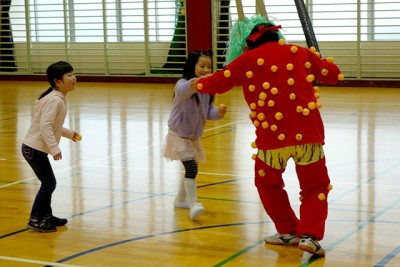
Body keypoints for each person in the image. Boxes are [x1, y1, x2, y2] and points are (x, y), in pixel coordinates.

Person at [196, 22, 343, 256]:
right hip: (308, 134)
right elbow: (333, 76)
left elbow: (219, 82)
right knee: (315, 187)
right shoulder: (300, 52)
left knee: (268, 184)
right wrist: (322, 62)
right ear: (278, 35)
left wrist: (198, 83)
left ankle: (288, 230)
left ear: (250, 42)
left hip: (271, 138)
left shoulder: (248, 59)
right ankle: (310, 236)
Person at [163, 50, 227, 221]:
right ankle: (193, 206)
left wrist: (218, 113)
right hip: (178, 136)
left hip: (193, 138)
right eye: (202, 66)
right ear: (192, 67)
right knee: (192, 168)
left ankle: (180, 200)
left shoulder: (206, 91)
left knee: (189, 169)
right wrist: (200, 81)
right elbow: (188, 88)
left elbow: (208, 111)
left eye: (209, 67)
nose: (206, 69)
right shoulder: (182, 85)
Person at [21, 61, 81, 232]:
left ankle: (45, 216)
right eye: (69, 75)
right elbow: (45, 126)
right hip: (34, 149)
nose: (73, 77)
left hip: (35, 148)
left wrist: (70, 134)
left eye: (73, 73)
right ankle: (36, 219)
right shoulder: (55, 100)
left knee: (48, 183)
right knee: (48, 183)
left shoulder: (56, 98)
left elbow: (53, 126)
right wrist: (55, 148)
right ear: (58, 81)